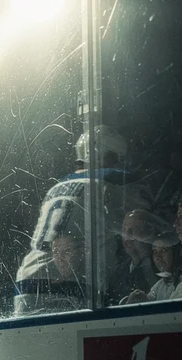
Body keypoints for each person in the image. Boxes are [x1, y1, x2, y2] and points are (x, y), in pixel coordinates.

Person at [13, 125, 151, 314]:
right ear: (101, 155)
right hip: (75, 281)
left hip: (27, 279)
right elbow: (138, 227)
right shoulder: (111, 183)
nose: (119, 164)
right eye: (116, 157)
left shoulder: (56, 187)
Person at [125, 231, 181, 303]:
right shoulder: (161, 284)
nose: (158, 257)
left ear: (176, 253)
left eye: (164, 250)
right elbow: (149, 301)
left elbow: (171, 309)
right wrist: (139, 297)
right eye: (155, 251)